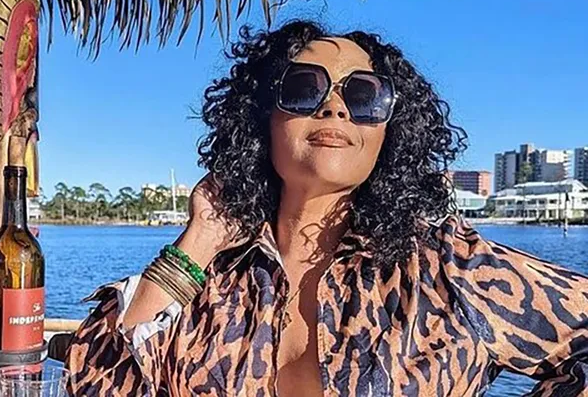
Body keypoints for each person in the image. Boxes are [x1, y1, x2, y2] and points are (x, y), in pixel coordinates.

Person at [64, 20, 588, 396]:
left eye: (363, 97)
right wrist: (198, 240)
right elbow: (91, 383)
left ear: (389, 132)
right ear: (262, 119)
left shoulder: (447, 267)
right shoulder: (213, 277)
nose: (334, 106)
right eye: (302, 88)